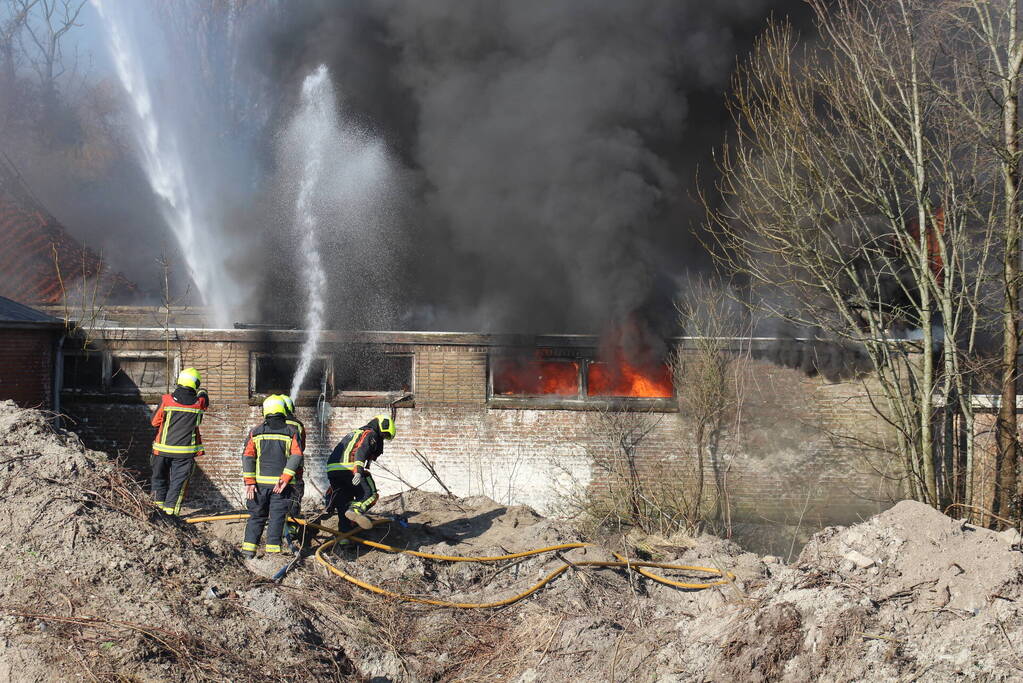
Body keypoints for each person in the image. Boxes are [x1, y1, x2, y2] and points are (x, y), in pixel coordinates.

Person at [241, 395, 304, 558]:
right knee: (277, 518)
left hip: (258, 487)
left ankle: (248, 552)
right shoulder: (291, 432)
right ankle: (273, 555)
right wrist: (285, 478)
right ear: (283, 411)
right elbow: (297, 455)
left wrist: (249, 482)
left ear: (265, 411)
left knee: (256, 517)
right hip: (281, 487)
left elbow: (247, 456)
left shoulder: (256, 432)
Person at [150, 367, 209, 515]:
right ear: (196, 384)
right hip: (184, 453)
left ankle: (156, 511)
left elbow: (154, 422)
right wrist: (202, 391)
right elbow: (204, 398)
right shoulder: (199, 403)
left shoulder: (166, 400)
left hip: (161, 450)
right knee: (178, 484)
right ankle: (170, 514)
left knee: (158, 480)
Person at [325, 414, 395, 530]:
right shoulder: (370, 433)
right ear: (382, 426)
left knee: (344, 503)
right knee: (370, 494)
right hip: (350, 468)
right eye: (384, 434)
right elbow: (361, 451)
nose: (383, 437)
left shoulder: (355, 433)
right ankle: (355, 510)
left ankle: (345, 540)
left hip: (333, 470)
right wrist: (358, 471)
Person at [277, 393, 306, 539]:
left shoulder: (268, 425)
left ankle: (277, 527)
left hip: (274, 470)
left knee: (277, 499)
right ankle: (292, 530)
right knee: (294, 497)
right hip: (294, 470)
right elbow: (302, 448)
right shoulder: (298, 425)